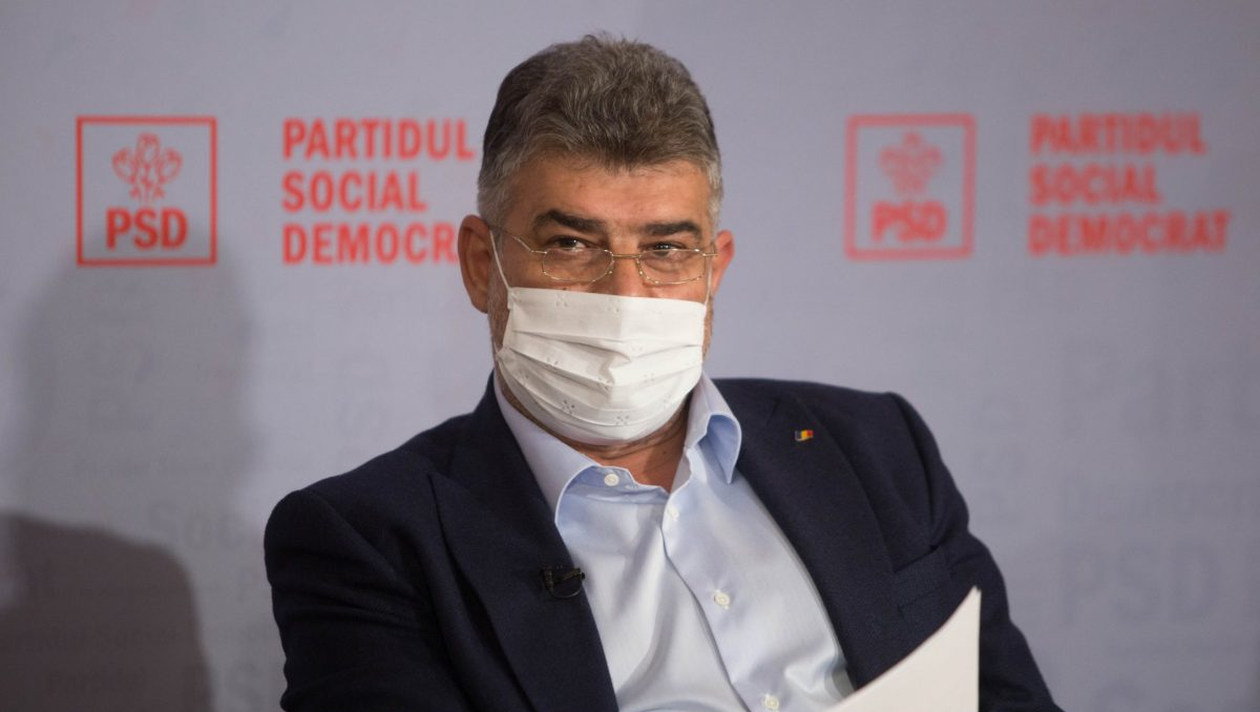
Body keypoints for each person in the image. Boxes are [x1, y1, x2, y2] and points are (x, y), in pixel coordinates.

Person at [264, 34, 1062, 712]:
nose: (625, 293)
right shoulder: (369, 542)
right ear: (482, 264)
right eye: (571, 245)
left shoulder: (877, 449)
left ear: (715, 268)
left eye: (666, 249)